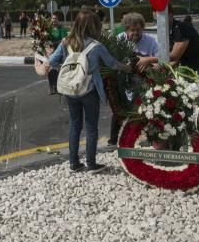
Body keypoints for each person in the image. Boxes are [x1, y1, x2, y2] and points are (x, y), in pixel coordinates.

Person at [49, 10, 133, 173]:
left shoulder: (66, 42)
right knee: (91, 127)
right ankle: (91, 164)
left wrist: (69, 69)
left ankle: (74, 163)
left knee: (75, 125)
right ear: (94, 26)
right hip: (89, 90)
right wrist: (127, 68)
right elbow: (112, 64)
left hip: (70, 90)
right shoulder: (96, 46)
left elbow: (52, 61)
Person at [109, 12, 159, 145]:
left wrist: (148, 61)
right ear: (126, 29)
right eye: (132, 30)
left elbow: (160, 58)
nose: (135, 33)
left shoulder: (150, 40)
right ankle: (114, 140)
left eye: (138, 30)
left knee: (145, 109)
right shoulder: (119, 39)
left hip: (143, 83)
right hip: (121, 81)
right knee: (119, 109)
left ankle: (147, 138)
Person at [46, 13, 67, 95]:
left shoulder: (61, 29)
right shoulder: (48, 29)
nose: (54, 20)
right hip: (50, 51)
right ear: (51, 20)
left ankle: (57, 87)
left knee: (58, 69)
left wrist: (55, 43)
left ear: (58, 20)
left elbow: (63, 40)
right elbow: (45, 38)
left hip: (59, 51)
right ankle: (51, 87)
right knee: (50, 69)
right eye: (53, 18)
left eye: (56, 18)